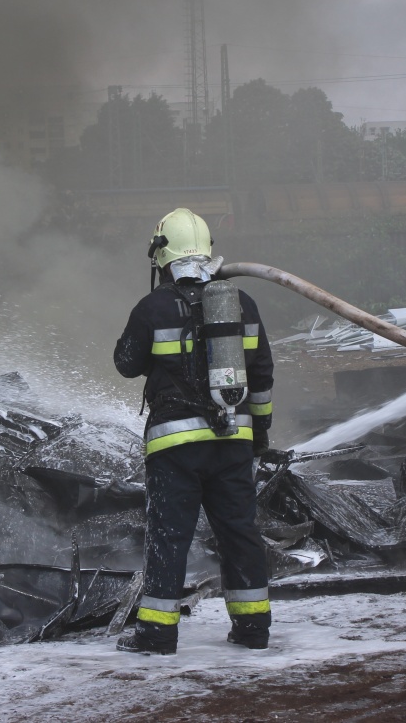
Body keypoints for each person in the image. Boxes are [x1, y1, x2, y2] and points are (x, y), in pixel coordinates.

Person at [113, 207, 274, 655]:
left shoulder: (153, 306)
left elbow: (126, 365)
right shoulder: (243, 303)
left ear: (163, 255)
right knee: (240, 532)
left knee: (169, 535)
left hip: (175, 446)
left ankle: (158, 633)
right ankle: (253, 628)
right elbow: (261, 376)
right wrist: (257, 435)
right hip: (233, 442)